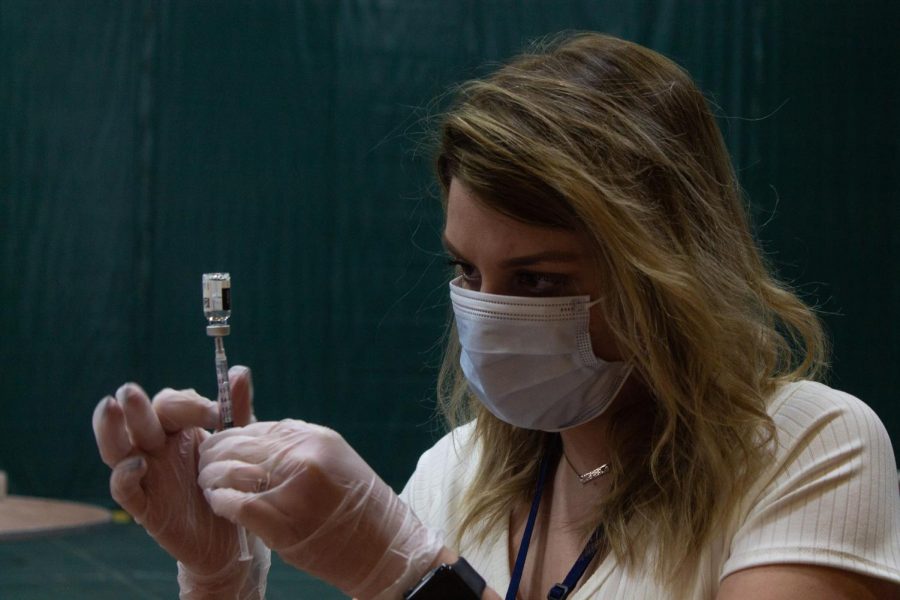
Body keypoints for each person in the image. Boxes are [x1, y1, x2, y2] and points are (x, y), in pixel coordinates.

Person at [93, 33, 900, 599]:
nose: (490, 317)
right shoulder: (454, 477)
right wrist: (221, 580)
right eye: (467, 271)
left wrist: (407, 579)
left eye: (539, 280)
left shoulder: (808, 449)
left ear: (671, 272)